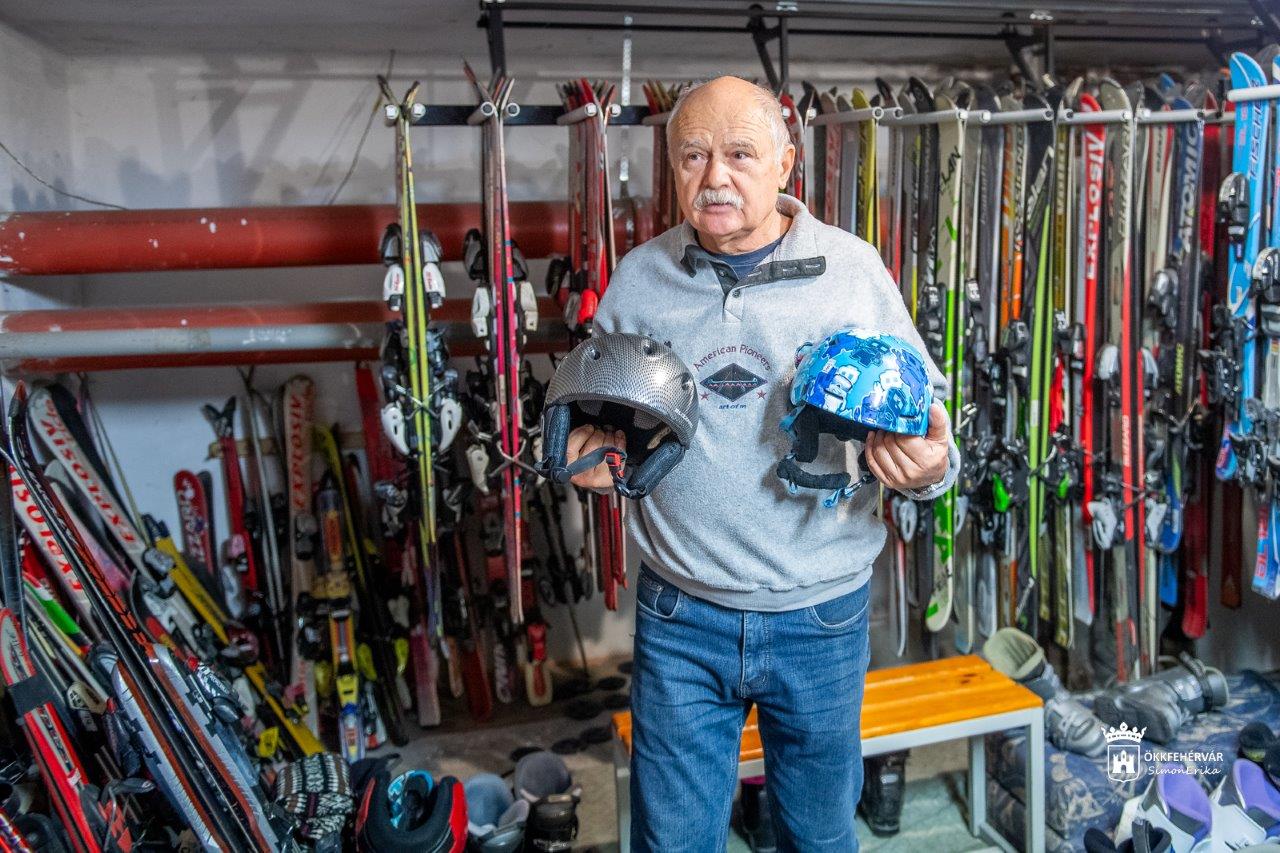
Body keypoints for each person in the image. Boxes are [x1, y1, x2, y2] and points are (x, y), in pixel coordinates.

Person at [568, 76, 959, 852]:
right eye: (694, 155)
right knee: (672, 841)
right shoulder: (640, 276)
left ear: (786, 163)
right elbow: (596, 412)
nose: (715, 176)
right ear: (673, 168)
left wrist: (930, 467)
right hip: (681, 614)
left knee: (817, 835)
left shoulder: (852, 270)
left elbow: (932, 424)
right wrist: (589, 453)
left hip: (822, 615)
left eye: (740, 154)